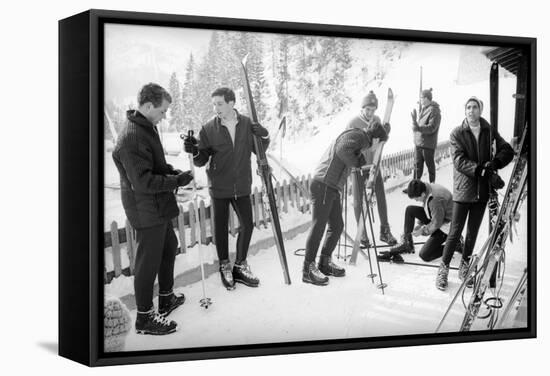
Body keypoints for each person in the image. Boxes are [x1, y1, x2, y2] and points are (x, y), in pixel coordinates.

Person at [112, 83, 194, 335]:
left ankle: (166, 298)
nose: (164, 116)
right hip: (145, 208)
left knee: (169, 248)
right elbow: (143, 181)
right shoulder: (132, 138)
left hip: (157, 205)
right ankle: (145, 318)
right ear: (148, 106)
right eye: (162, 110)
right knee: (148, 262)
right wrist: (176, 182)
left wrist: (172, 172)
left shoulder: (147, 129)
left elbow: (154, 166)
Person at [183, 87, 270, 290]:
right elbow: (200, 160)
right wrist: (194, 150)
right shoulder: (208, 129)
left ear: (231, 103)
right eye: (214, 104)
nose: (216, 108)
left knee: (247, 225)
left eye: (219, 103)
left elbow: (259, 151)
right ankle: (224, 265)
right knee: (220, 229)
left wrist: (264, 136)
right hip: (219, 186)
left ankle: (240, 265)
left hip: (241, 185)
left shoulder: (247, 124)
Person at [435, 97, 514, 291]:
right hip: (463, 191)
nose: (471, 111)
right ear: (465, 111)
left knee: (472, 233)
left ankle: (464, 268)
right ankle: (443, 270)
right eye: (468, 107)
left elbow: (507, 150)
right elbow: (459, 161)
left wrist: (494, 164)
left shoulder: (488, 130)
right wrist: (482, 171)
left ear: (480, 110)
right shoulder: (457, 133)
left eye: (474, 107)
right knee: (455, 233)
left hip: (481, 191)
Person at [303, 120, 389, 286]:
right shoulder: (360, 137)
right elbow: (342, 149)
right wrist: (357, 161)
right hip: (323, 184)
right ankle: (308, 269)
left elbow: (348, 151)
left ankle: (324, 262)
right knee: (318, 226)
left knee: (337, 226)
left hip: (331, 186)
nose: (377, 148)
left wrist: (359, 160)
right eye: (380, 144)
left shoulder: (360, 138)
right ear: (376, 140)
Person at [347, 91, 397, 248]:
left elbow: (380, 141)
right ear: (362, 108)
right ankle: (362, 234)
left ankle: (385, 230)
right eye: (367, 109)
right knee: (357, 201)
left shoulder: (376, 120)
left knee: (381, 195)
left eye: (373, 110)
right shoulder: (353, 122)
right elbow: (348, 146)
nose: (370, 113)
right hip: (358, 167)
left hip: (374, 165)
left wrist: (385, 134)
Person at [378, 179, 462, 263]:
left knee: (425, 255)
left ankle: (455, 245)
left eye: (416, 198)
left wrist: (422, 230)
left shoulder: (434, 200)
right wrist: (420, 223)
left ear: (422, 194)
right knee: (410, 210)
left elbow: (437, 222)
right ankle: (407, 244)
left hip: (447, 226)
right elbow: (428, 209)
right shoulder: (425, 188)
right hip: (440, 215)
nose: (416, 200)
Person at [410, 88, 441, 183]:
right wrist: (415, 123)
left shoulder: (434, 111)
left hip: (427, 145)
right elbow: (419, 126)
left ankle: (433, 185)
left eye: (421, 98)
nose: (420, 100)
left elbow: (432, 127)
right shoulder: (424, 109)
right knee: (417, 167)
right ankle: (414, 186)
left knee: (430, 167)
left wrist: (418, 127)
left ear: (427, 98)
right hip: (419, 143)